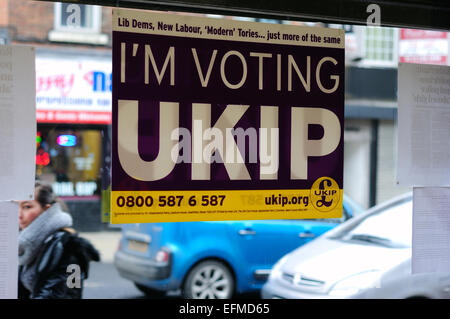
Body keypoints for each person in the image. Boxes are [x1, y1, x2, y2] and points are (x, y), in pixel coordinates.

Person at [18, 181, 100, 299]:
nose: (19, 214)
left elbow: (66, 294)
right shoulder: (26, 244)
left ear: (46, 210)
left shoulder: (70, 248)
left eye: (27, 207)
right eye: (18, 207)